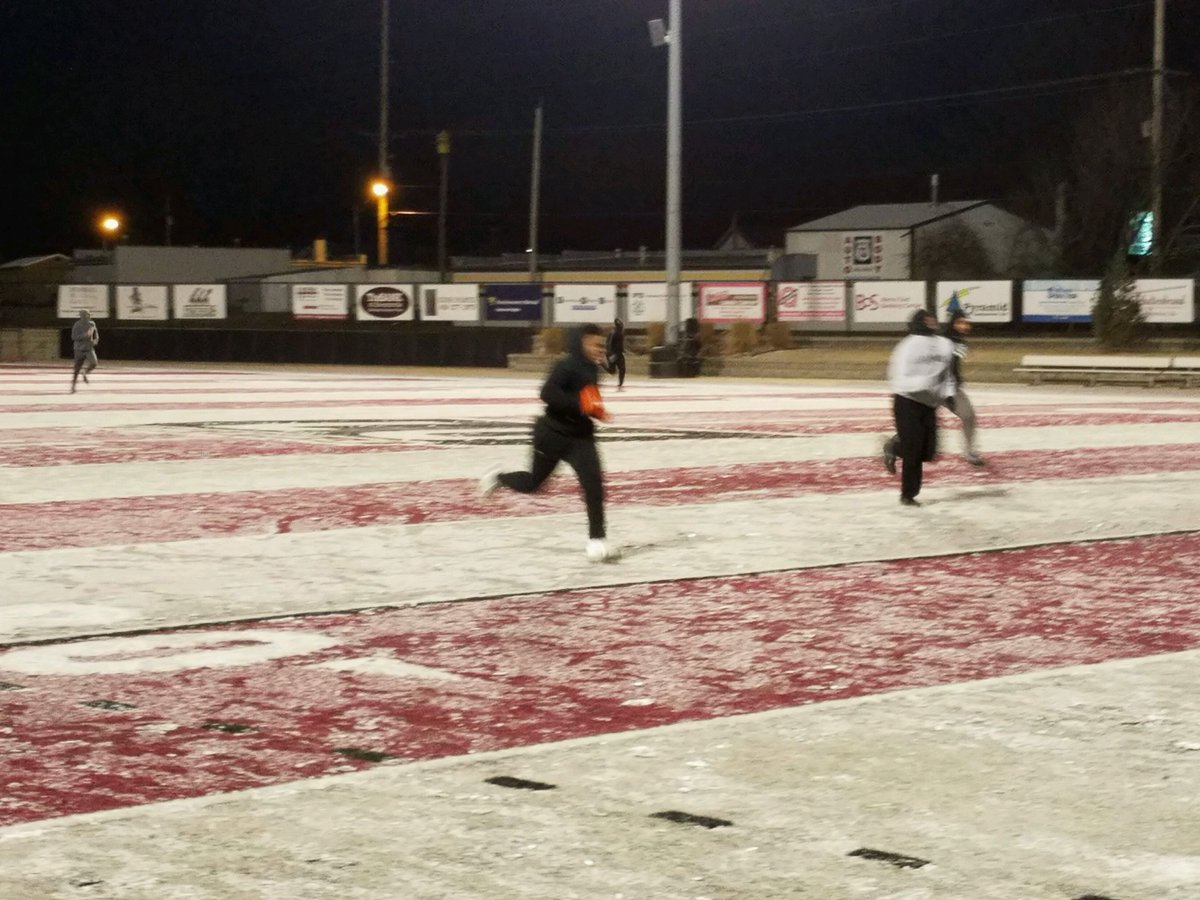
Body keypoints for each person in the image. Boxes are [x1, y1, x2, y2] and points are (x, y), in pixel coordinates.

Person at [479, 323, 616, 561]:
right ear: (581, 343)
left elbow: (587, 401)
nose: (599, 350)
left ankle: (597, 540)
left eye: (601, 346)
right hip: (551, 434)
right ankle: (498, 478)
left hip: (580, 437)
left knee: (594, 485)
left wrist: (597, 412)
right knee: (534, 483)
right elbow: (548, 394)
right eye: (595, 344)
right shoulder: (565, 365)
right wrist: (582, 405)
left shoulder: (594, 370)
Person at [883, 308, 985, 470]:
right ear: (953, 322)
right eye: (960, 322)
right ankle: (895, 445)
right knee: (923, 426)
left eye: (966, 322)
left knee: (967, 416)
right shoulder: (943, 338)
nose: (965, 326)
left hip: (946, 387)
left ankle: (970, 452)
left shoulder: (960, 340)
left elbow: (952, 365)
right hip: (934, 388)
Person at [884, 309, 955, 506]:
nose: (931, 322)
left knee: (928, 452)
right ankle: (908, 494)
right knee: (913, 451)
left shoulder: (943, 344)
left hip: (929, 403)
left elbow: (947, 373)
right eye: (926, 319)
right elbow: (898, 376)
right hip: (908, 401)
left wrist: (948, 394)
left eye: (932, 319)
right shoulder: (907, 345)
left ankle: (894, 446)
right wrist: (924, 384)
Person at [70, 309, 100, 394]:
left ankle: (85, 373)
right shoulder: (77, 325)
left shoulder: (92, 324)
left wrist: (96, 339)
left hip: (89, 348)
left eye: (89, 315)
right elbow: (73, 337)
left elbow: (95, 334)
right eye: (86, 315)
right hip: (79, 349)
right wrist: (84, 335)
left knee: (94, 363)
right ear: (81, 316)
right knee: (77, 369)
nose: (89, 316)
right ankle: (73, 386)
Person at [605, 317, 626, 390]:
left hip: (619, 354)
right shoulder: (613, 333)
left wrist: (623, 350)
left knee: (622, 369)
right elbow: (609, 343)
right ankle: (602, 364)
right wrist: (610, 353)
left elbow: (620, 344)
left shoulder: (621, 333)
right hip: (614, 354)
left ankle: (620, 384)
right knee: (612, 371)